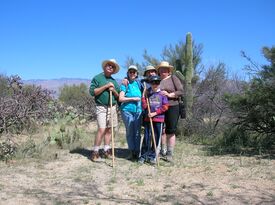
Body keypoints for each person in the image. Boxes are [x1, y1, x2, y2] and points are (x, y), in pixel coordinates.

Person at [89, 59, 120, 162]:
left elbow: (118, 96)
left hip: (112, 107)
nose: (110, 67)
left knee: (109, 129)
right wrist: (106, 86)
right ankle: (95, 152)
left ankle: (106, 150)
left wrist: (113, 90)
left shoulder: (114, 81)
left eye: (112, 66)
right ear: (104, 66)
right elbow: (93, 92)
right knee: (102, 129)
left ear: (114, 69)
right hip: (101, 107)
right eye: (108, 65)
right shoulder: (97, 78)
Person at [156, 61, 184, 162]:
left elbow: (181, 91)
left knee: (170, 130)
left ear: (169, 71)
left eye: (165, 69)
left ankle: (169, 153)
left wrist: (169, 95)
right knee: (161, 130)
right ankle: (161, 150)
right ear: (159, 71)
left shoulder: (173, 78)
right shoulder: (157, 80)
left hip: (172, 106)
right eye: (161, 69)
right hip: (159, 107)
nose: (163, 71)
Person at [139, 75, 169, 164]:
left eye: (157, 82)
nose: (155, 84)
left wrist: (155, 113)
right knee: (147, 138)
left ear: (159, 83)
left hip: (159, 120)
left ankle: (152, 156)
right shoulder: (148, 94)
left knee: (156, 139)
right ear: (150, 84)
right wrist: (143, 96)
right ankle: (143, 156)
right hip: (148, 120)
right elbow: (144, 106)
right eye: (153, 82)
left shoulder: (162, 94)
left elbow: (166, 106)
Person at [119, 65, 143, 160]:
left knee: (137, 132)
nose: (132, 73)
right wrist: (133, 98)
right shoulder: (125, 84)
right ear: (128, 73)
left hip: (138, 111)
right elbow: (121, 98)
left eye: (134, 72)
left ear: (137, 74)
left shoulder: (139, 83)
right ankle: (131, 151)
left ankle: (137, 152)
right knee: (130, 131)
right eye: (130, 72)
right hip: (127, 110)